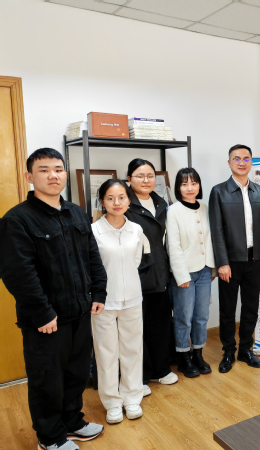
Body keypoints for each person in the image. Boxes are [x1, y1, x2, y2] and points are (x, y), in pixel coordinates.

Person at [0, 148, 107, 450]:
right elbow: (18, 273)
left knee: (76, 373)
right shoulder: (17, 219)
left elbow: (92, 256)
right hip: (46, 319)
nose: (53, 175)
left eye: (58, 169)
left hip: (79, 311)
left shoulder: (76, 212)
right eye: (44, 170)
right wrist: (42, 312)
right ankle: (49, 437)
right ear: (29, 176)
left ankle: (72, 421)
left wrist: (99, 291)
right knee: (47, 379)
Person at [209, 144, 260, 373]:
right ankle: (228, 351)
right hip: (230, 262)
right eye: (236, 158)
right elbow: (216, 230)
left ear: (251, 162)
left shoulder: (259, 191)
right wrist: (222, 263)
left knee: (250, 307)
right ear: (229, 163)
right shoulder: (219, 191)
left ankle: (246, 349)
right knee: (227, 309)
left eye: (246, 158)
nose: (241, 162)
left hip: (255, 259)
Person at [91, 179, 145, 424]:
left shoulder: (136, 229)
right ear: (102, 201)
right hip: (103, 302)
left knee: (132, 350)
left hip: (132, 297)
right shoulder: (93, 231)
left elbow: (136, 261)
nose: (116, 202)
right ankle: (112, 402)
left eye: (122, 197)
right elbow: (91, 267)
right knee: (106, 353)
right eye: (110, 198)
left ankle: (132, 397)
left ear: (129, 200)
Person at [125, 159, 178, 393]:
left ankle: (160, 370)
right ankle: (141, 377)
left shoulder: (161, 203)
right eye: (140, 176)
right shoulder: (125, 204)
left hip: (161, 273)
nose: (146, 180)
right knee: (137, 329)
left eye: (150, 176)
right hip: (136, 275)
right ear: (129, 179)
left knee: (160, 324)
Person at [166, 168, 216, 378]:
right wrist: (181, 275)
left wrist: (213, 268)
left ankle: (198, 354)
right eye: (184, 184)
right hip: (185, 272)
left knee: (201, 316)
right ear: (178, 188)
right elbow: (173, 246)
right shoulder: (173, 211)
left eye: (194, 183)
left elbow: (212, 240)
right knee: (183, 317)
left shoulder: (205, 208)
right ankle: (183, 357)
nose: (189, 188)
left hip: (204, 270)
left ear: (199, 185)